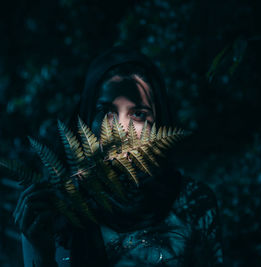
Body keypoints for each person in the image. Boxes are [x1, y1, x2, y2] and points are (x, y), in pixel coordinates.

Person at [14, 46, 223, 266]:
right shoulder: (54, 212)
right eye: (106, 111)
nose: (120, 130)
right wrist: (41, 252)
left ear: (159, 125)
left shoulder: (193, 203)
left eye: (138, 114)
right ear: (85, 119)